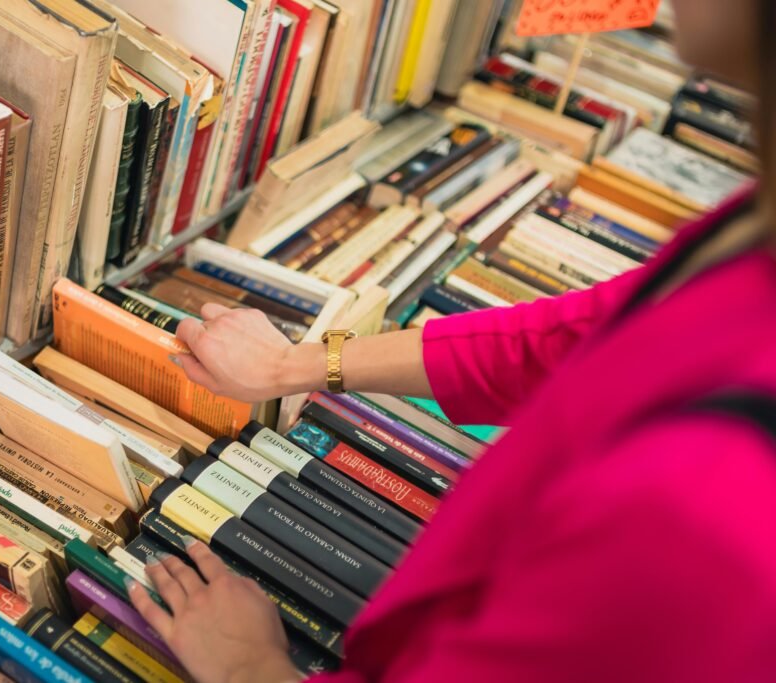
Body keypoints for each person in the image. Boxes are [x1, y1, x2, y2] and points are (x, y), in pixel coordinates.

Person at [127, 1, 776, 680]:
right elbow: (571, 337)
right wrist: (299, 362)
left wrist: (250, 668)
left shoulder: (702, 517)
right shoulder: (753, 225)